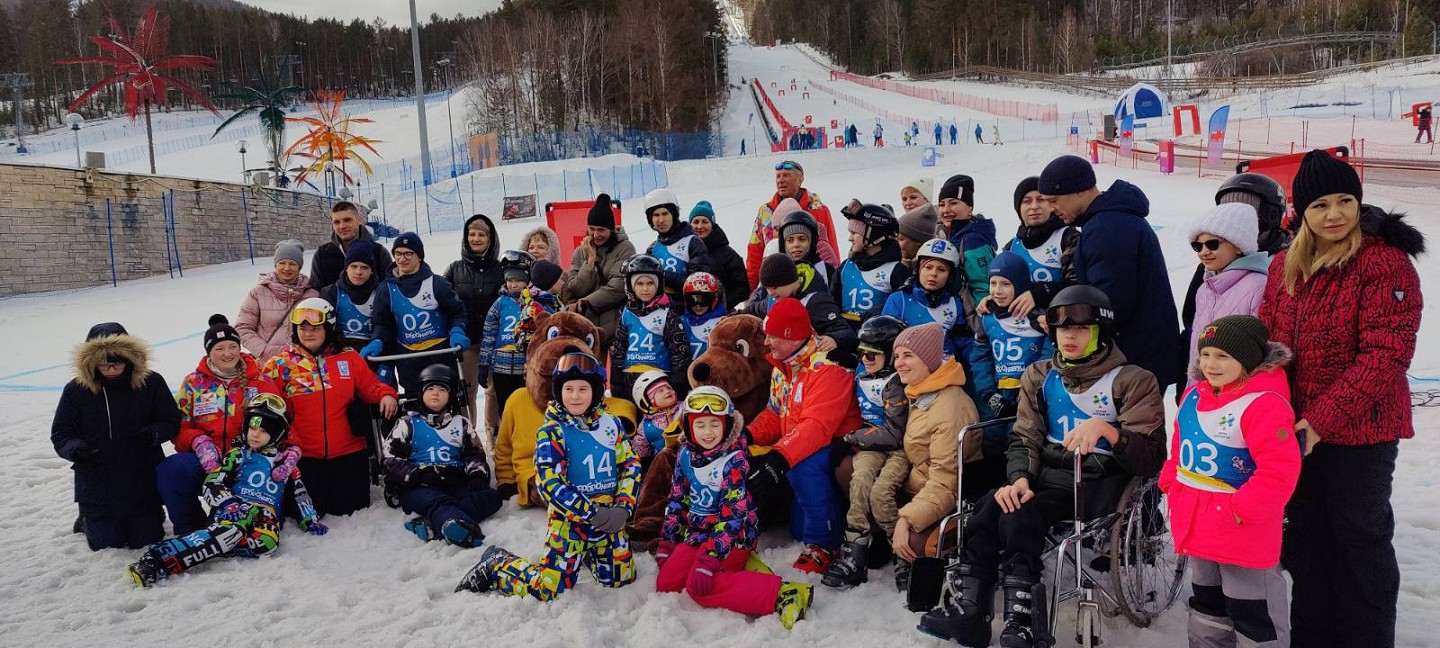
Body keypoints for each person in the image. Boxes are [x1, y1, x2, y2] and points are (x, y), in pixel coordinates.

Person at [918, 285, 1166, 647]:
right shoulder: (1040, 375)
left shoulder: (1132, 381)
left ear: (1101, 331)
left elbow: (1151, 457)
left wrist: (1110, 432)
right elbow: (1024, 437)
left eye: (1080, 329)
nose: (1069, 337)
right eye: (1062, 329)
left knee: (1020, 517)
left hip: (1097, 483)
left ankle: (1022, 621)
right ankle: (972, 614)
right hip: (1046, 475)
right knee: (987, 509)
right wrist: (1019, 478)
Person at [1258, 149, 1423, 647]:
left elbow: (1386, 354)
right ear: (1302, 211)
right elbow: (1267, 341)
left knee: (1359, 542)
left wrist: (1321, 421)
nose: (1335, 214)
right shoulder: (1284, 265)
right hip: (1295, 429)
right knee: (1306, 543)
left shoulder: (1384, 263)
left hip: (1363, 434)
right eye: (1321, 205)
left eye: (1345, 201)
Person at [1160, 315, 1300, 648]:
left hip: (1241, 530)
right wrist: (1171, 480)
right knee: (1207, 604)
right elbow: (1180, 444)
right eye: (1206, 354)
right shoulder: (1194, 396)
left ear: (1248, 359)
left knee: (1252, 611)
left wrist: (1243, 509)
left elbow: (1279, 469)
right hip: (1198, 525)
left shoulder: (1263, 403)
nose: (1211, 364)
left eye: (1223, 356)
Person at [455, 352, 640, 599]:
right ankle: (497, 565)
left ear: (595, 391)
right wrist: (591, 513)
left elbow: (630, 465)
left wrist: (623, 508)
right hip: (571, 522)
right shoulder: (552, 431)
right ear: (559, 391)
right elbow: (551, 484)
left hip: (610, 518)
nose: (575, 396)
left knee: (621, 580)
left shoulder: (611, 424)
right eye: (569, 389)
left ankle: (590, 554)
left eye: (583, 389)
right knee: (550, 590)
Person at [656, 387, 816, 630]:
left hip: (732, 537)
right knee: (666, 583)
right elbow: (678, 500)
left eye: (714, 424)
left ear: (727, 426)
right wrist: (668, 543)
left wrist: (710, 559)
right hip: (699, 535)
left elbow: (733, 516)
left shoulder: (734, 460)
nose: (707, 432)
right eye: (700, 425)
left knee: (700, 588)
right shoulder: (685, 455)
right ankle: (744, 567)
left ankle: (782, 593)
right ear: (688, 426)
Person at [126, 396, 328, 586]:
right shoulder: (238, 455)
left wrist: (309, 519)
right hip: (234, 509)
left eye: (263, 431)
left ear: (277, 435)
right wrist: (227, 503)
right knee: (231, 531)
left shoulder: (285, 462)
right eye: (252, 428)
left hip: (266, 514)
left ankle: (210, 542)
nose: (255, 434)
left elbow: (299, 494)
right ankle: (158, 560)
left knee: (267, 544)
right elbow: (213, 482)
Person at [1038, 154, 1182, 389]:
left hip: (1134, 360)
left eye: (1054, 200)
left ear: (1079, 190)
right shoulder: (1110, 219)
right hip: (1141, 355)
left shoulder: (1107, 227)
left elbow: (1111, 302)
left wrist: (1066, 320)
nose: (1051, 209)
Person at [744, 298, 863, 573]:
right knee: (798, 528)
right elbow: (775, 414)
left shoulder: (829, 366)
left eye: (773, 336)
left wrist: (779, 458)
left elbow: (817, 427)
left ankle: (825, 545)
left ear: (792, 336)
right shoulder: (783, 366)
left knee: (802, 466)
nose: (767, 342)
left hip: (838, 446)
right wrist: (745, 435)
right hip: (803, 444)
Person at [261, 298, 399, 517]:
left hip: (349, 451)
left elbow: (371, 386)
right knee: (309, 511)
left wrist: (387, 395)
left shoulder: (348, 357)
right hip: (304, 454)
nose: (308, 333)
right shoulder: (279, 364)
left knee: (352, 508)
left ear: (328, 328)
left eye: (315, 328)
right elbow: (265, 403)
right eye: (302, 328)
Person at [52, 323, 179, 551]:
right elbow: (62, 432)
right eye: (104, 365)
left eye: (117, 364)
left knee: (146, 539)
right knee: (106, 543)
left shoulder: (151, 382)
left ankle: (152, 513)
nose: (111, 370)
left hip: (140, 474)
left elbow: (170, 420)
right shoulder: (76, 390)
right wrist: (76, 449)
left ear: (129, 360)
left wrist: (152, 435)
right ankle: (88, 519)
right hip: (98, 478)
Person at [160, 315, 284, 536]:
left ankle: (252, 521)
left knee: (253, 522)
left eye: (232, 346)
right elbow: (179, 428)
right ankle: (190, 527)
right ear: (209, 352)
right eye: (219, 348)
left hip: (249, 464)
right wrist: (198, 441)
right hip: (208, 464)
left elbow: (280, 424)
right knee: (172, 469)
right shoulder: (193, 383)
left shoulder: (260, 381)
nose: (228, 354)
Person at [888, 323, 980, 593]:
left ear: (928, 360)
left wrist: (906, 519)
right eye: (897, 356)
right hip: (919, 485)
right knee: (850, 471)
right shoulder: (921, 391)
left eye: (908, 356)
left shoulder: (948, 407)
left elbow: (946, 481)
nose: (899, 363)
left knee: (914, 544)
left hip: (948, 496)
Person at [822, 316, 909, 589]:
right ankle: (855, 552)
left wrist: (851, 437)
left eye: (872, 355)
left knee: (880, 492)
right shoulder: (863, 374)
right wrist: (847, 359)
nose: (865, 360)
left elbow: (895, 432)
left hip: (897, 448)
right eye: (861, 354)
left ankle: (901, 552)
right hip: (871, 444)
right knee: (859, 481)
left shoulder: (896, 383)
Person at [1180, 173, 1292, 374]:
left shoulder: (1283, 265)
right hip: (1205, 376)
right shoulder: (1210, 271)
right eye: (1228, 208)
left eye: (1248, 209)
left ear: (1270, 215)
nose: (1238, 217)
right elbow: (1192, 321)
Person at [384, 364, 500, 548]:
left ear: (450, 395)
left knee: (492, 497)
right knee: (437, 502)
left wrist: (477, 474)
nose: (435, 393)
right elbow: (390, 459)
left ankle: (432, 525)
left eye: (442, 389)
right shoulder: (407, 423)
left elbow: (474, 454)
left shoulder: (461, 423)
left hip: (453, 482)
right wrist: (416, 475)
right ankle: (462, 528)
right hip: (420, 485)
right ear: (421, 393)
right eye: (430, 388)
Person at [364, 232, 470, 394]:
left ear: (419, 256)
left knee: (445, 399)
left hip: (440, 355)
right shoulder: (386, 289)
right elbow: (383, 324)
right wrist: (378, 340)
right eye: (398, 254)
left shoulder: (437, 283)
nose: (402, 259)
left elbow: (458, 312)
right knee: (414, 402)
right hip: (408, 360)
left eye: (408, 254)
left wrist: (457, 330)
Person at [1182, 203, 1270, 390]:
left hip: (1236, 393)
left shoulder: (1258, 286)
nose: (1204, 252)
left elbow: (1260, 351)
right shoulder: (1205, 289)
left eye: (1212, 244)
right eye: (1198, 246)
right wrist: (1192, 389)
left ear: (1238, 246)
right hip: (1202, 390)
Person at [971, 252, 1053, 426]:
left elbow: (1049, 354)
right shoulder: (987, 318)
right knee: (993, 437)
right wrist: (989, 394)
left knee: (1024, 435)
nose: (997, 291)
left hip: (1033, 393)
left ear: (1020, 284)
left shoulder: (1037, 316)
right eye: (993, 283)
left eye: (1006, 284)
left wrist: (1033, 387)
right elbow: (980, 359)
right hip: (1000, 395)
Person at [478, 251, 549, 436]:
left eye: (518, 280)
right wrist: (484, 363)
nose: (513, 284)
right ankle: (509, 438)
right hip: (501, 366)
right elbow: (489, 334)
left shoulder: (536, 303)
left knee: (528, 403)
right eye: (509, 280)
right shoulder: (500, 303)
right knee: (506, 406)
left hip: (525, 366)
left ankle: (530, 437)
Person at [741, 254, 857, 365]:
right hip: (781, 364)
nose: (771, 293)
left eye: (775, 287)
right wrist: (737, 315)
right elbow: (754, 309)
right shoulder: (774, 299)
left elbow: (846, 331)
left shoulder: (816, 301)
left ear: (790, 281)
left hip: (811, 364)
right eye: (767, 288)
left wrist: (834, 338)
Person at [444, 214, 504, 427]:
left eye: (481, 235)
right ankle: (469, 436)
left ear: (490, 239)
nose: (476, 239)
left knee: (494, 391)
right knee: (467, 391)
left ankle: (493, 434)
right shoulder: (454, 269)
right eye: (472, 234)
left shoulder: (501, 269)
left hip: (495, 342)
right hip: (467, 342)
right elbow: (445, 302)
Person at [611, 254, 691, 404]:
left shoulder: (668, 314)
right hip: (630, 379)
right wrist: (616, 380)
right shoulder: (627, 313)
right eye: (640, 284)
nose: (645, 289)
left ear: (658, 285)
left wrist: (677, 383)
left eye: (650, 283)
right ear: (631, 285)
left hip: (658, 381)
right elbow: (619, 347)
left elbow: (679, 351)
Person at [747, 160, 840, 289]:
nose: (781, 180)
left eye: (786, 175)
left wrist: (835, 282)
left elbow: (830, 247)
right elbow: (755, 252)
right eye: (778, 176)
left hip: (812, 282)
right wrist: (751, 288)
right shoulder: (765, 212)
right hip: (774, 283)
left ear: (800, 179)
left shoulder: (817, 209)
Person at [996, 176, 1079, 316]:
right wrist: (993, 300)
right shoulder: (1012, 247)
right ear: (1018, 208)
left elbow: (1078, 286)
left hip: (1062, 321)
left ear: (1051, 205)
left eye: (1041, 200)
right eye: (1027, 201)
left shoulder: (1067, 237)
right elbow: (1003, 284)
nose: (1034, 206)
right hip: (1023, 324)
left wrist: (1040, 293)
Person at [563, 193, 636, 348]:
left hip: (615, 326)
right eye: (592, 229)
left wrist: (585, 302)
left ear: (611, 229)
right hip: (585, 327)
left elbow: (617, 288)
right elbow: (575, 287)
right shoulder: (580, 252)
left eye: (601, 230)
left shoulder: (625, 249)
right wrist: (590, 260)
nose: (596, 235)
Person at [881, 238, 972, 360]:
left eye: (941, 269)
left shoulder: (955, 304)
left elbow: (965, 344)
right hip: (906, 367)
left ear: (950, 276)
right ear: (918, 269)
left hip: (944, 369)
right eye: (928, 267)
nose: (933, 274)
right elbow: (882, 343)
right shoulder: (898, 300)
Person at [235, 239, 318, 364]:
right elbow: (243, 328)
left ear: (299, 267)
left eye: (292, 263)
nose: (286, 268)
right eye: (282, 263)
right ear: (275, 265)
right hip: (268, 364)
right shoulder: (258, 293)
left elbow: (319, 330)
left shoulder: (312, 295)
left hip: (303, 364)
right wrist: (264, 351)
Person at [836, 202, 910, 329]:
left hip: (877, 335)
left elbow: (904, 306)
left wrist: (879, 312)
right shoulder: (846, 267)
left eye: (855, 233)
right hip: (844, 333)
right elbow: (832, 301)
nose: (850, 238)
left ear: (873, 234)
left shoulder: (896, 271)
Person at [937, 174, 998, 311]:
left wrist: (985, 315)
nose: (946, 210)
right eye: (942, 204)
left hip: (974, 314)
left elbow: (984, 286)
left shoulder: (972, 241)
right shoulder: (952, 235)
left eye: (953, 203)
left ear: (970, 208)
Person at [309, 201, 393, 290]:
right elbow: (315, 291)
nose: (342, 226)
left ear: (359, 220)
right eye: (337, 222)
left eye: (347, 220)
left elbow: (390, 290)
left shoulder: (379, 252)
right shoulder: (322, 254)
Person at [319, 240, 384, 353]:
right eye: (354, 266)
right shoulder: (331, 292)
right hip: (339, 352)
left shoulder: (381, 293)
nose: (358, 272)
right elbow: (324, 327)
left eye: (364, 267)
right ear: (346, 268)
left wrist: (379, 341)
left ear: (372, 271)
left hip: (372, 354)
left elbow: (385, 325)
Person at [644, 188, 711, 295]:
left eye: (665, 214)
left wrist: (663, 275)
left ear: (674, 215)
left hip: (685, 304)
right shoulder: (653, 248)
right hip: (658, 304)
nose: (661, 220)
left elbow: (697, 285)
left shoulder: (692, 243)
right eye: (656, 215)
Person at [688, 201, 750, 309]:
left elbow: (742, 288)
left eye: (705, 222)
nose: (700, 226)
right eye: (696, 222)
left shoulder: (728, 255)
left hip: (719, 313)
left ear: (712, 224)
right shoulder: (683, 250)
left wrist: (720, 305)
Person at [629, 370, 683, 466]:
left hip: (687, 457)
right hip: (665, 464)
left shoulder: (683, 408)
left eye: (669, 388)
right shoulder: (646, 426)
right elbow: (640, 446)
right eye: (661, 391)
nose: (667, 391)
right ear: (649, 401)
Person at [777, 208, 835, 293]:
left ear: (812, 242)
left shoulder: (826, 270)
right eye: (790, 240)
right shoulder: (776, 272)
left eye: (802, 239)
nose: (796, 244)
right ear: (783, 244)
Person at [681, 272, 726, 359]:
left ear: (714, 299)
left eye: (704, 300)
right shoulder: (680, 322)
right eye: (692, 300)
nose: (698, 305)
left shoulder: (721, 323)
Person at [896, 203, 940, 269]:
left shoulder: (932, 269)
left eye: (901, 239)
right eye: (896, 238)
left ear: (918, 241)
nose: (896, 243)